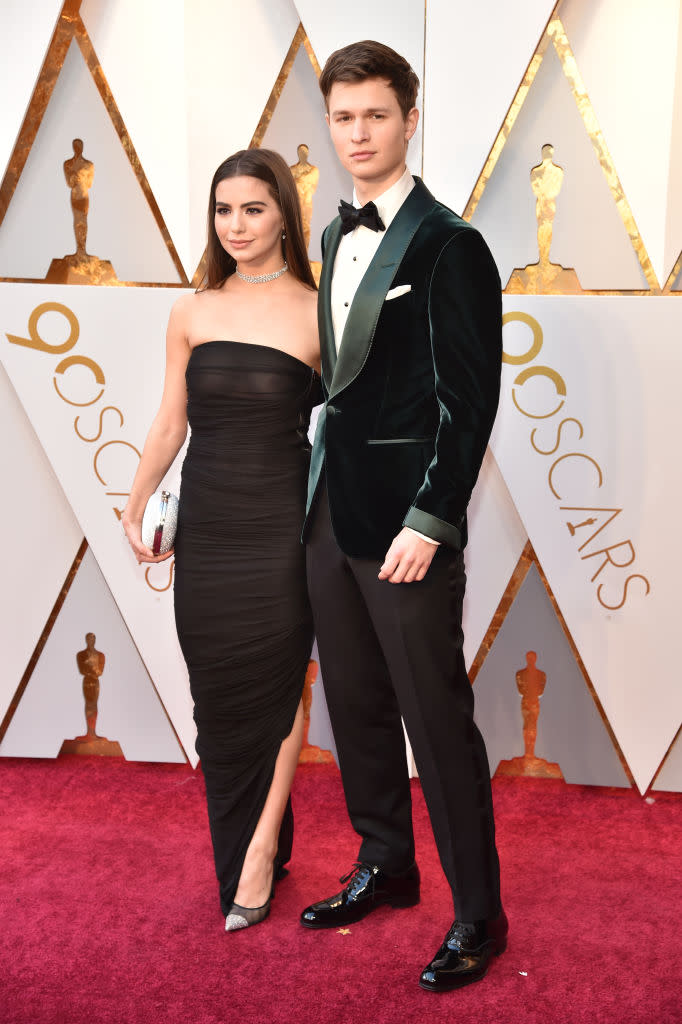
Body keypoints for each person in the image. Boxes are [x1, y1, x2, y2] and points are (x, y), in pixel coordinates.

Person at [300, 40, 507, 991]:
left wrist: (433, 517)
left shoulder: (450, 244)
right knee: (356, 708)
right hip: (332, 519)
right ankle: (387, 862)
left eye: (375, 115)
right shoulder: (336, 236)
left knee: (437, 718)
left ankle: (480, 916)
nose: (358, 133)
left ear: (409, 119)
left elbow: (469, 400)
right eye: (343, 117)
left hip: (406, 529)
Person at [122, 148, 320, 932]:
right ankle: (258, 829)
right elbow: (172, 419)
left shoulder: (317, 310)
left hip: (280, 531)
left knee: (276, 686)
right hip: (207, 526)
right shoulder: (193, 310)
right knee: (218, 697)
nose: (236, 226)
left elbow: (350, 425)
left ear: (283, 217)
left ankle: (262, 847)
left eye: (253, 210)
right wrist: (134, 505)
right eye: (223, 210)